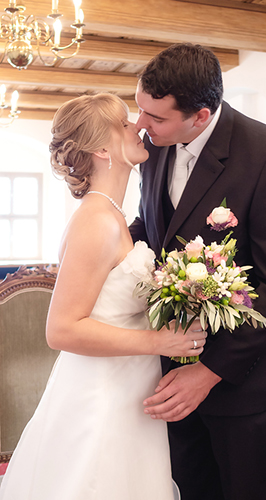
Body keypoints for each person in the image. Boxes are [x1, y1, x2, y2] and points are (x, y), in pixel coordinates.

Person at [0, 93, 207, 500]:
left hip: (129, 389)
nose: (138, 127)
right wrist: (160, 340)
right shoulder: (95, 222)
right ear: (100, 148)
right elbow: (60, 330)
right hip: (102, 399)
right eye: (125, 123)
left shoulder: (112, 215)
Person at [129, 43, 266, 500]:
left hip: (245, 386)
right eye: (139, 109)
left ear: (202, 116)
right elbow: (154, 229)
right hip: (171, 371)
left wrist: (207, 372)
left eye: (155, 117)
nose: (140, 125)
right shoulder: (157, 146)